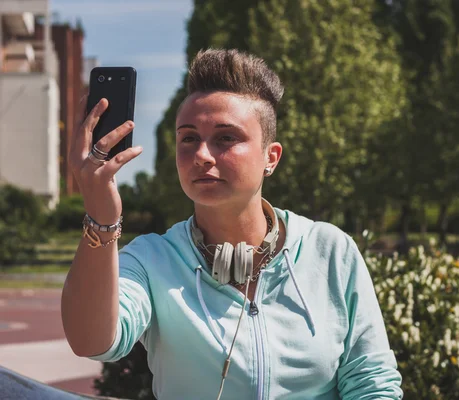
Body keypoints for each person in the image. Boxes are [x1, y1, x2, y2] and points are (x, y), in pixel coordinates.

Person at [61, 48, 403, 400]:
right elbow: (91, 342)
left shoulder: (330, 250)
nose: (202, 155)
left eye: (226, 138)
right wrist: (102, 218)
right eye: (189, 138)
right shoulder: (152, 260)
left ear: (271, 157)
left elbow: (372, 384)